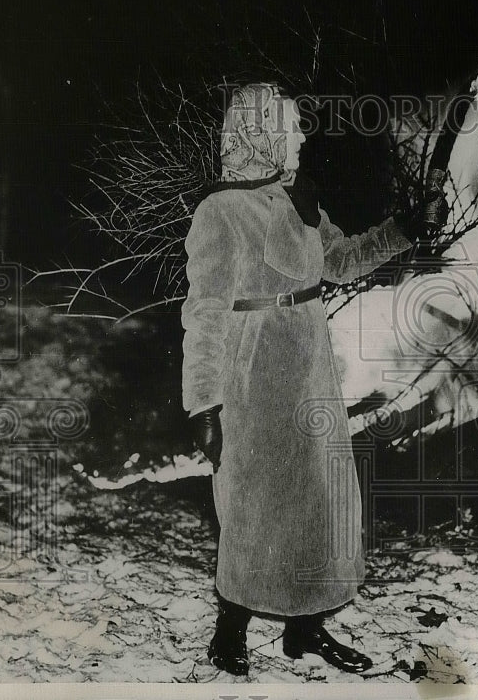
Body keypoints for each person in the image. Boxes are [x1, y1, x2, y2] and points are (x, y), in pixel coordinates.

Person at [181, 83, 446, 676]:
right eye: (292, 126)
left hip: (310, 368)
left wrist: (406, 227)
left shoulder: (300, 201)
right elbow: (204, 314)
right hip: (252, 376)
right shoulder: (220, 211)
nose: (302, 135)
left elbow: (345, 259)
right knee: (252, 503)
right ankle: (232, 627)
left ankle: (304, 631)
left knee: (317, 504)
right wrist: (203, 404)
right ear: (262, 132)